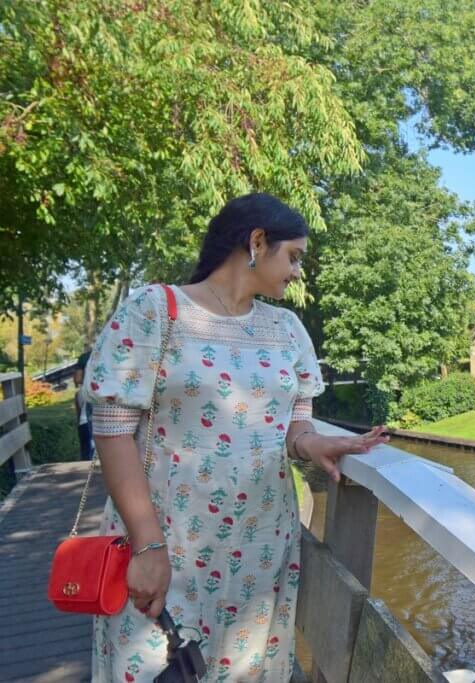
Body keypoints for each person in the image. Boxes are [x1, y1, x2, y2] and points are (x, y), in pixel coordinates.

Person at [84, 193, 389, 682]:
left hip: (259, 552)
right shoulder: (156, 311)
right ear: (256, 241)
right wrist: (147, 546)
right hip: (167, 544)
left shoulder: (288, 330)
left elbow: (296, 423)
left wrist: (312, 444)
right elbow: (113, 430)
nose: (296, 272)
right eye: (293, 257)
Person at [73, 368, 93, 461]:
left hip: (82, 423)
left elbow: (78, 411)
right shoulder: (96, 389)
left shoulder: (78, 392)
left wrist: (78, 425)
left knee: (85, 451)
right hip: (93, 423)